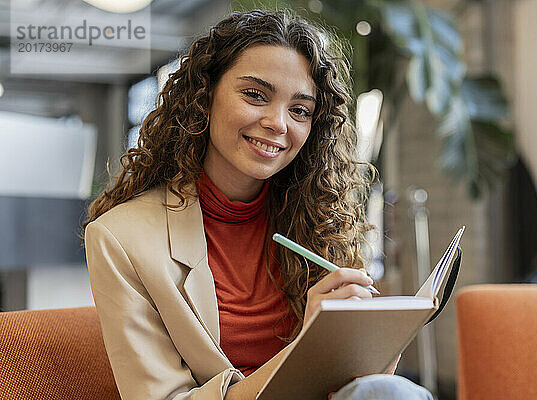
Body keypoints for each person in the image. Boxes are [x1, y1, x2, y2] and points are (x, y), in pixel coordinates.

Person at [83, 9, 433, 400]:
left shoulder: (320, 217)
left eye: (299, 110)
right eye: (255, 95)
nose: (278, 123)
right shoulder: (120, 239)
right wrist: (309, 347)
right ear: (205, 95)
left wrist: (371, 343)